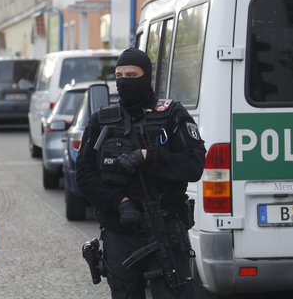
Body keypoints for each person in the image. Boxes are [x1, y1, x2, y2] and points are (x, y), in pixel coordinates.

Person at [76, 48, 206, 299]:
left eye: (131, 75)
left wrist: (150, 157)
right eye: (119, 75)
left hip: (166, 228)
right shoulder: (101, 121)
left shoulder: (172, 116)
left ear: (146, 77)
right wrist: (119, 202)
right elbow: (84, 174)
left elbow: (194, 164)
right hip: (120, 232)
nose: (124, 81)